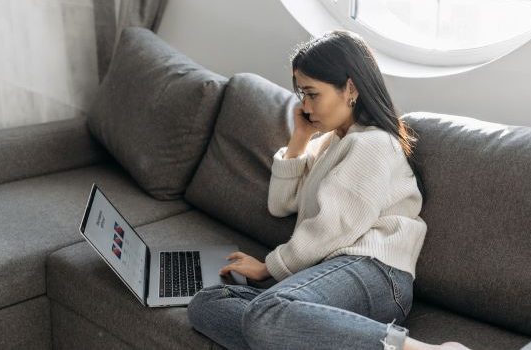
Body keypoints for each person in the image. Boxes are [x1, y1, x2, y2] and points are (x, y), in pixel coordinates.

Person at [186, 30, 470, 350]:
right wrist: (300, 139)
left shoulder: (372, 143)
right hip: (334, 275)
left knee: (267, 313)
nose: (306, 106)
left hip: (377, 273)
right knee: (208, 302)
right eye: (301, 95)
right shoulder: (331, 144)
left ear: (350, 88)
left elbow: (332, 227)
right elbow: (280, 204)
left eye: (312, 94)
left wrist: (269, 267)